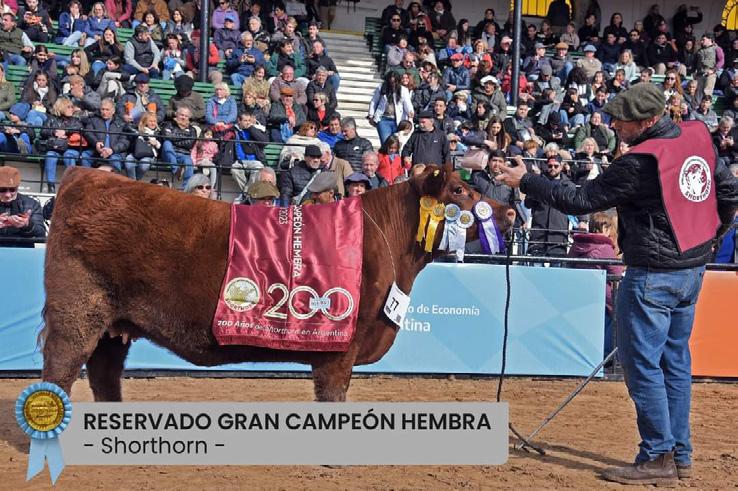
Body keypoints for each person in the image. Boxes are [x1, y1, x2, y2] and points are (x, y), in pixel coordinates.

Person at [496, 83, 738, 485]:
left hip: (653, 274)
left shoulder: (638, 163)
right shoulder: (697, 133)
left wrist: (527, 180)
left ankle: (657, 456)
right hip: (692, 268)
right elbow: (728, 191)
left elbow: (579, 200)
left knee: (643, 367)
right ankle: (680, 455)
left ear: (647, 120)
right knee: (675, 363)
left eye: (622, 121)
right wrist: (714, 236)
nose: (615, 126)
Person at [567, 211, 624, 355]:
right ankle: (606, 353)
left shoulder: (577, 245)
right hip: (602, 296)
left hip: (579, 292)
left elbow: (568, 265)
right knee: (614, 319)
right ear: (604, 228)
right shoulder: (605, 247)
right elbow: (616, 272)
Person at [41, 97, 86, 193]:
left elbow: (79, 128)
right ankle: (51, 186)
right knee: (50, 155)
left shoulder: (75, 120)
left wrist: (66, 131)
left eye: (72, 107)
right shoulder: (52, 119)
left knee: (68, 155)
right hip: (56, 147)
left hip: (70, 147)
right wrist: (54, 132)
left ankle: (72, 185)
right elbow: (43, 131)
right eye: (68, 107)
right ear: (61, 107)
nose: (72, 109)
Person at [0, 166, 45, 246]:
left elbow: (41, 233)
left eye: (12, 190)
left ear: (17, 188)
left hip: (22, 248)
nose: (8, 195)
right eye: (2, 190)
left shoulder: (32, 204)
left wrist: (27, 225)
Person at [367, 71, 414, 145]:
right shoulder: (381, 88)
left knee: (397, 143)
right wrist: (371, 115)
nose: (393, 84)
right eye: (391, 82)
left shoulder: (403, 90)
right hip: (383, 119)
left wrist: (410, 113)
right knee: (386, 143)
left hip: (398, 121)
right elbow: (374, 101)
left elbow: (408, 104)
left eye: (395, 82)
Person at [82, 97, 128, 170]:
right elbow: (88, 133)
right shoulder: (93, 119)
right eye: (102, 109)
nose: (104, 112)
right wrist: (96, 143)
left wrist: (112, 150)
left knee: (114, 159)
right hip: (96, 150)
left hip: (115, 152)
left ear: (113, 111)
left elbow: (124, 141)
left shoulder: (120, 122)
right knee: (84, 156)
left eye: (107, 109)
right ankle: (88, 176)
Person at [161, 105, 197, 185]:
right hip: (168, 154)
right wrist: (184, 137)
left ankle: (186, 188)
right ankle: (176, 170)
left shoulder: (192, 129)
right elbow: (166, 136)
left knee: (188, 162)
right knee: (167, 143)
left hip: (183, 154)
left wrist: (173, 139)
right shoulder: (168, 124)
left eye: (186, 116)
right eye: (181, 115)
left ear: (189, 118)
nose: (183, 117)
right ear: (176, 115)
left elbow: (189, 144)